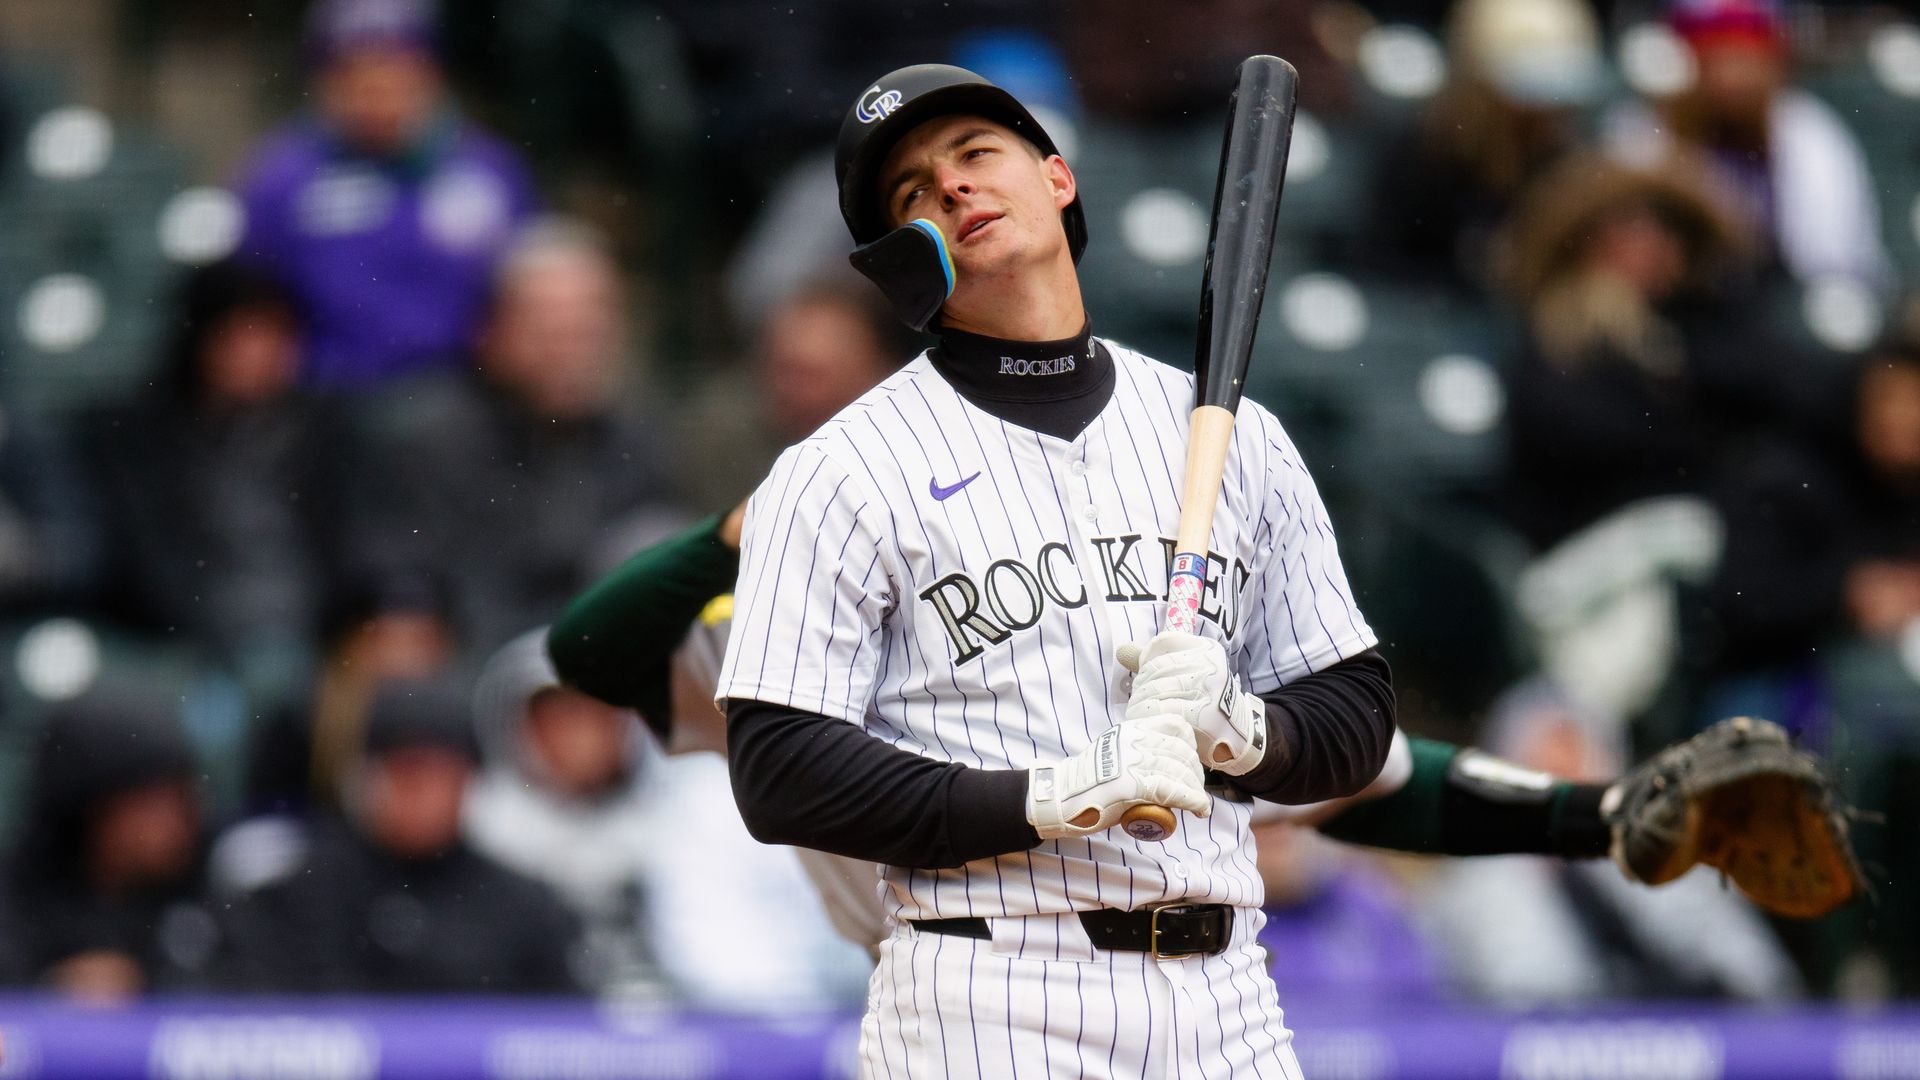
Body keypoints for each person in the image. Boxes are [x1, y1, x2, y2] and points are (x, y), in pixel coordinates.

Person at [712, 64, 1397, 1076]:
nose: (950, 185)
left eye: (976, 154)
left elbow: (1356, 712)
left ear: (1058, 178)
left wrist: (1243, 732)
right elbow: (780, 772)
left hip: (1230, 996)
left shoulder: (1231, 436)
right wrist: (1057, 795)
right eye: (912, 192)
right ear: (909, 261)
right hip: (991, 992)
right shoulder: (837, 471)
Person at [464, 629, 868, 1007]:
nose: (580, 738)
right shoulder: (475, 828)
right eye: (559, 718)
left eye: (595, 716)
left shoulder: (696, 815)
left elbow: (736, 960)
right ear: (516, 727)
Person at [358, 218, 683, 653]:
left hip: (598, 686)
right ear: (491, 334)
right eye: (551, 332)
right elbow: (399, 585)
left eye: (589, 331)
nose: (573, 353)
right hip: (467, 678)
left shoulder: (634, 439)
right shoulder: (426, 439)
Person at [82, 259, 355, 706]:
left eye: (274, 335)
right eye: (242, 334)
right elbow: (138, 566)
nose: (259, 353)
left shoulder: (325, 431)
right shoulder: (136, 438)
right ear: (201, 339)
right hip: (178, 650)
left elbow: (346, 554)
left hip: (307, 645)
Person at [234, 0, 538, 388]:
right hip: (325, 402)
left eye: (397, 69)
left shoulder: (489, 171)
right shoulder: (280, 179)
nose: (379, 89)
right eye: (356, 72)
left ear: (432, 74)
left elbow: (522, 300)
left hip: (466, 399)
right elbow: (250, 308)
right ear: (323, 82)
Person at [219, 678, 581, 994]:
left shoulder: (523, 906)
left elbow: (557, 1033)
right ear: (368, 777)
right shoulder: (302, 892)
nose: (424, 793)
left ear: (469, 782)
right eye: (406, 772)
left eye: (442, 775)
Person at [0, 695, 221, 1002]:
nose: (178, 822)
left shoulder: (212, 904)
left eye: (183, 799)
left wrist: (150, 988)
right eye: (151, 804)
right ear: (92, 810)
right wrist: (48, 992)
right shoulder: (14, 910)